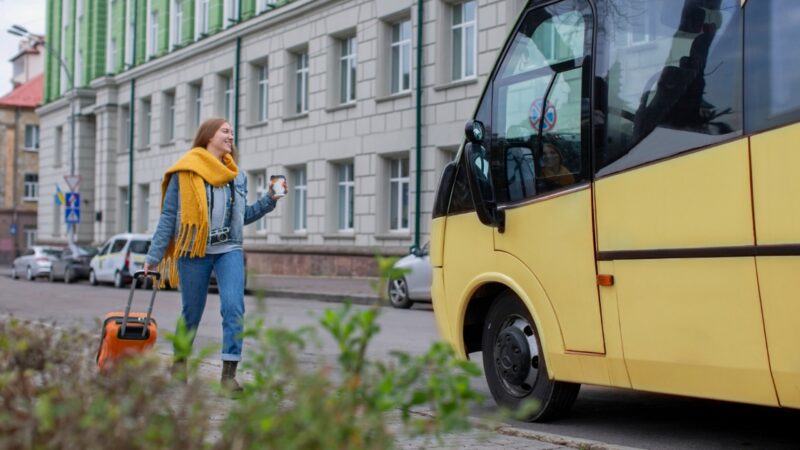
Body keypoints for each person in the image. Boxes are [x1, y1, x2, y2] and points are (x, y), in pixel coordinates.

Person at [143, 117, 280, 391]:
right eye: (225, 131)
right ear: (209, 136)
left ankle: (229, 375)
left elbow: (243, 217)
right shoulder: (186, 172)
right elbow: (169, 216)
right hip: (194, 250)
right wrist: (153, 257)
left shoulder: (236, 176)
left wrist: (269, 201)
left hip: (228, 248)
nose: (231, 136)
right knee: (191, 312)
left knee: (234, 308)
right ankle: (179, 364)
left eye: (231, 132)